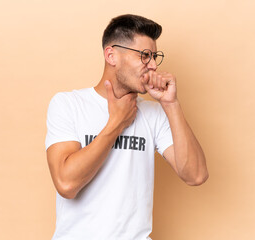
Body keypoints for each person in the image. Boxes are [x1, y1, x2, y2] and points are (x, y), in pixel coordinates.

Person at [45, 14, 209, 240]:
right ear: (111, 55)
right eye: (144, 56)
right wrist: (116, 123)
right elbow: (66, 184)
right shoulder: (68, 104)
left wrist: (171, 104)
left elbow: (196, 175)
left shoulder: (154, 114)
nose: (152, 65)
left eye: (154, 57)